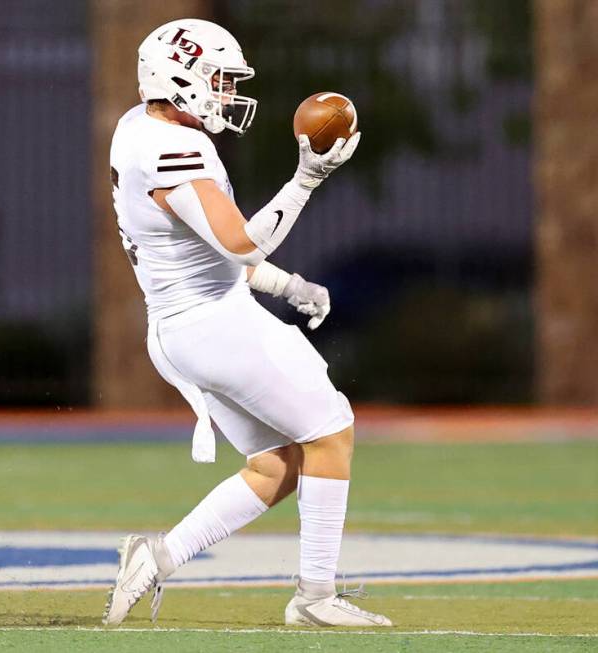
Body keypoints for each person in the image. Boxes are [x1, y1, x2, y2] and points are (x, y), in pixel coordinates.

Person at [102, 19, 389, 628]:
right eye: (219, 80)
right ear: (179, 79)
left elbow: (208, 254)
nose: (228, 94)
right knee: (332, 429)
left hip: (181, 325)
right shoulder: (173, 148)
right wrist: (307, 179)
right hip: (211, 325)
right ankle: (314, 598)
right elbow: (237, 245)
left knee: (277, 464)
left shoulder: (137, 127)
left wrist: (288, 285)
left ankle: (158, 556)